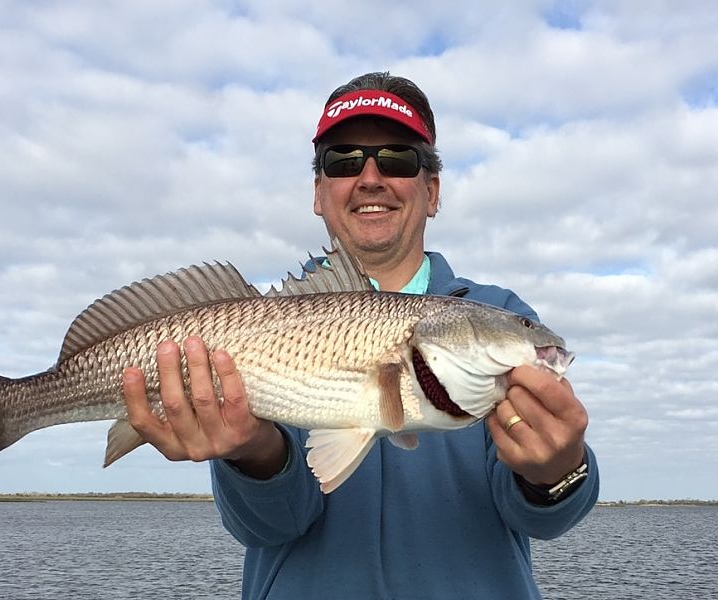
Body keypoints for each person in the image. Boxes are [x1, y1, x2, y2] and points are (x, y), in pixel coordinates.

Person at [122, 72, 599, 599]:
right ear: (319, 193)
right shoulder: (263, 321)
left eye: (397, 159)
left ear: (432, 191)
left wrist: (559, 471)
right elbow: (270, 527)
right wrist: (254, 452)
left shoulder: (500, 313)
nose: (370, 178)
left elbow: (546, 520)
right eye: (343, 161)